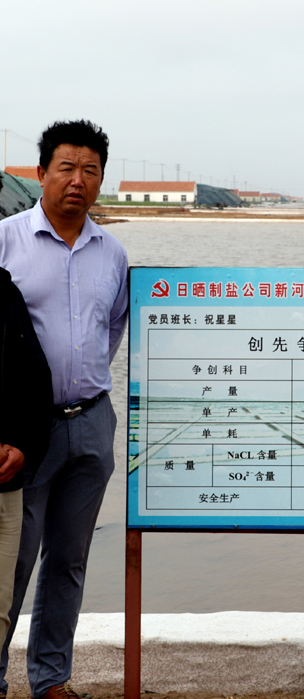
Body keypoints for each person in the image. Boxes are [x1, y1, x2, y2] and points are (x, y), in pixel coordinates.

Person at [0, 120, 128, 699]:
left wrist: (85, 386)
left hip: (92, 423)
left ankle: (51, 678)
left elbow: (112, 329)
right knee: (10, 561)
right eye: (67, 167)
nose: (78, 180)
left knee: (69, 560)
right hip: (23, 434)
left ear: (101, 178)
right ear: (41, 173)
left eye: (90, 170)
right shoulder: (7, 241)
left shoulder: (112, 251)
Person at [0, 268, 52, 648]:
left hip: (6, 482)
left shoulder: (6, 293)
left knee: (0, 607)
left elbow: (35, 378)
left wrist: (24, 446)